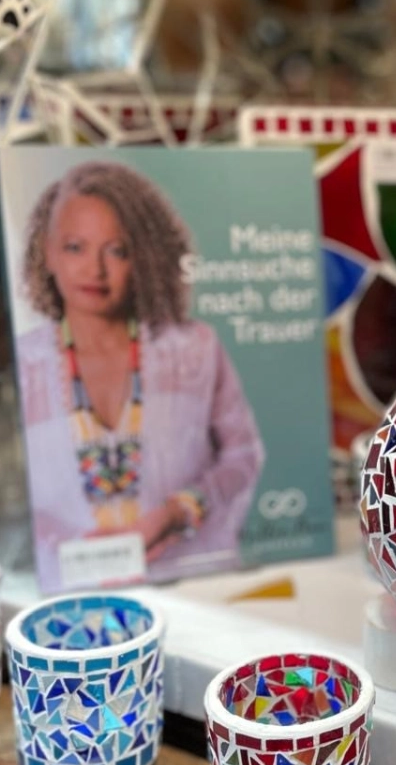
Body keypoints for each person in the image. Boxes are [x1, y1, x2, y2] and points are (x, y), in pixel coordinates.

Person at [17, 159, 265, 589]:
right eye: (76, 247)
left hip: (192, 583)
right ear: (48, 251)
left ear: (144, 258)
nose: (95, 270)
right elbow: (6, 506)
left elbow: (243, 456)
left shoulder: (193, 349)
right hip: (64, 596)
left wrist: (176, 512)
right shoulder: (22, 367)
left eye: (117, 250)